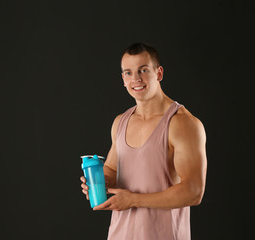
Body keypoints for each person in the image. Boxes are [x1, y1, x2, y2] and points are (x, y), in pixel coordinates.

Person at [80, 43, 207, 240]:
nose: (136, 79)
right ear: (123, 79)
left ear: (159, 73)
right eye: (128, 73)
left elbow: (193, 191)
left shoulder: (183, 124)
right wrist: (98, 183)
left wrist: (133, 200)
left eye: (143, 70)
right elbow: (112, 170)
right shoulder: (120, 122)